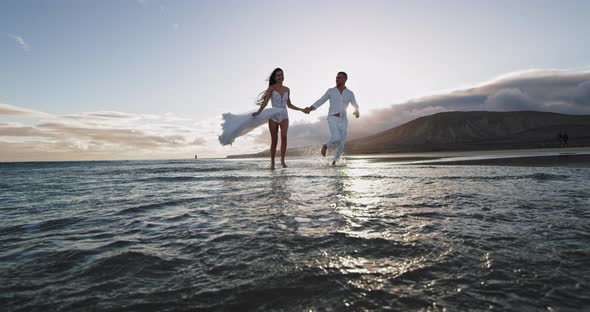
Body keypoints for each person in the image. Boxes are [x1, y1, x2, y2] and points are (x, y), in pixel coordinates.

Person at [252, 68, 307, 169]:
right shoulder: (271, 88)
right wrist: (259, 112)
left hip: (284, 115)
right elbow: (265, 102)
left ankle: (282, 161)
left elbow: (289, 104)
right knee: (274, 140)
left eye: (281, 75)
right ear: (274, 77)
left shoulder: (287, 89)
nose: (280, 77)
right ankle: (272, 162)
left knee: (284, 138)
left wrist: (301, 109)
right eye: (278, 75)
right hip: (274, 116)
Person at [303, 72, 360, 165]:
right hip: (332, 118)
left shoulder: (350, 93)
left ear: (345, 80)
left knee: (342, 144)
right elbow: (321, 100)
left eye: (340, 78)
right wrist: (310, 108)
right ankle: (325, 146)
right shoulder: (331, 91)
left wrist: (357, 112)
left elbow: (355, 105)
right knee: (336, 137)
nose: (337, 79)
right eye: (336, 78)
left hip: (343, 120)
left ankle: (334, 162)